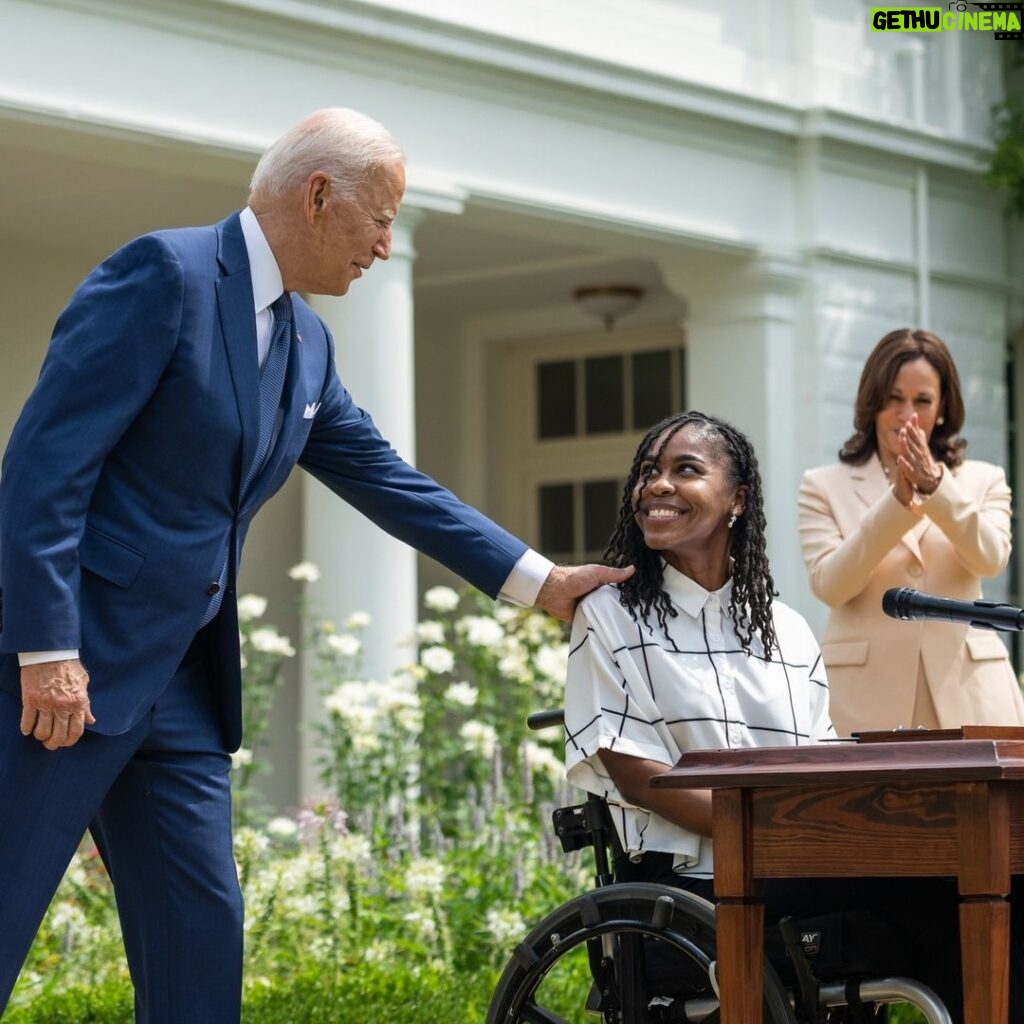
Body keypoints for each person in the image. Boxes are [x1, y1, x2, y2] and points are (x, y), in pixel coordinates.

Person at [0, 107, 629, 1022]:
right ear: (320, 195)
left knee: (200, 940)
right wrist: (46, 648)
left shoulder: (308, 344)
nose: (383, 245)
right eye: (381, 218)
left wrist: (545, 584)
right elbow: (43, 469)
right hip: (64, 677)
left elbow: (387, 481)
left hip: (180, 689)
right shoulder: (161, 276)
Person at [562, 409, 975, 1021]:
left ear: (737, 499)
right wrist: (770, 838)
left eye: (685, 470)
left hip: (795, 866)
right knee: (941, 903)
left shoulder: (785, 628)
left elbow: (822, 765)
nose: (657, 485)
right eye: (648, 472)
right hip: (687, 888)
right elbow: (635, 773)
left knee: (982, 889)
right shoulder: (608, 615)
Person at [798, 327, 1024, 736]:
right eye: (893, 399)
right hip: (863, 702)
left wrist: (937, 489)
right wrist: (897, 506)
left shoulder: (984, 479)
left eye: (922, 400)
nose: (907, 416)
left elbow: (990, 560)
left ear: (942, 409)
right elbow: (830, 586)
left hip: (971, 697)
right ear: (872, 403)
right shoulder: (821, 485)